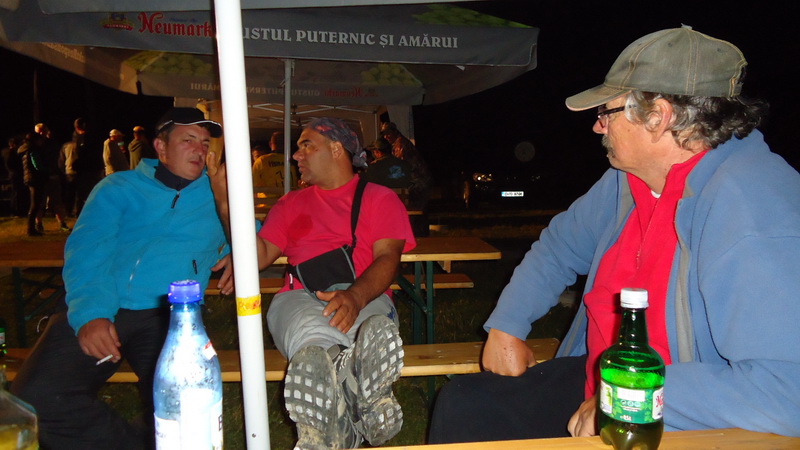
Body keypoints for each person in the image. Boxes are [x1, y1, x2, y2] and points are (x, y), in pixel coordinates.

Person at [429, 26, 800, 443]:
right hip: (600, 381)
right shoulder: (628, 181)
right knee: (465, 404)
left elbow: (786, 392)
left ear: (658, 116)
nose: (598, 127)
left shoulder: (755, 214)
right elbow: (558, 248)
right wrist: (507, 325)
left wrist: (625, 398)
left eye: (607, 112)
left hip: (683, 414)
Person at [10, 107, 230, 449]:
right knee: (36, 401)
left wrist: (237, 249)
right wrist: (92, 314)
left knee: (182, 404)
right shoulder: (118, 187)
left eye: (204, 143)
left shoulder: (216, 196)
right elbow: (88, 252)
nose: (200, 150)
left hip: (170, 314)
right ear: (160, 146)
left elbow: (257, 238)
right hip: (104, 303)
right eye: (188, 140)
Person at [209, 117, 416, 449]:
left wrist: (355, 296)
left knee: (369, 329)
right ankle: (357, 390)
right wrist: (225, 203)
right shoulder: (290, 203)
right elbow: (257, 257)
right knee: (312, 344)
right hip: (299, 296)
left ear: (336, 149)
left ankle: (331, 420)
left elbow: (388, 258)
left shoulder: (380, 198)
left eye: (306, 145)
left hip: (365, 294)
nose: (296, 155)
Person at [380, 122, 431, 211]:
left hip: (417, 185)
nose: (386, 137)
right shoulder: (398, 143)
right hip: (417, 184)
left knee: (414, 212)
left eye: (388, 133)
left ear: (394, 132)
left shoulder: (400, 145)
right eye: (384, 134)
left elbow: (398, 168)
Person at [71, 117, 104, 215]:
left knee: (85, 192)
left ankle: (84, 212)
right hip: (92, 168)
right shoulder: (92, 137)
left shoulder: (84, 138)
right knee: (90, 192)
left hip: (87, 169)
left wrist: (76, 164)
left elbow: (83, 154)